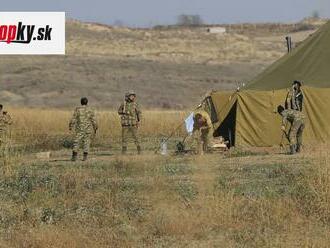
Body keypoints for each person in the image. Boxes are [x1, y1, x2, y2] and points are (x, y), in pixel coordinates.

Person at [69, 97, 98, 161]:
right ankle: (85, 157)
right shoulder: (90, 110)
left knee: (76, 141)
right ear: (87, 102)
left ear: (81, 102)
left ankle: (74, 156)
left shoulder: (78, 109)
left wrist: (70, 126)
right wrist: (95, 127)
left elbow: (73, 119)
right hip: (88, 129)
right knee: (87, 142)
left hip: (79, 128)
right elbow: (94, 120)